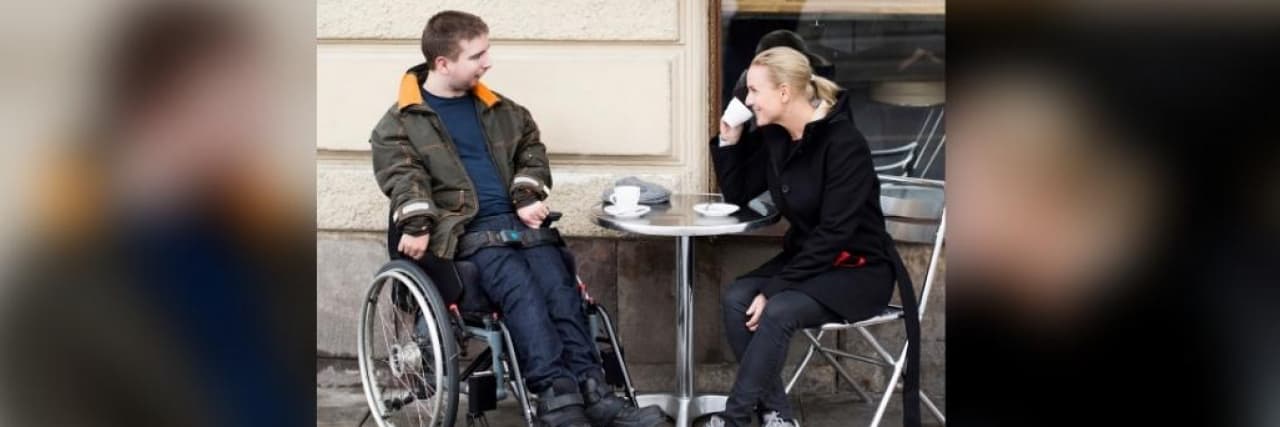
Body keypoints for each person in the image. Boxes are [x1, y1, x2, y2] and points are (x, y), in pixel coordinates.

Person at [369, 10, 666, 427]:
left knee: (560, 288)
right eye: (477, 55)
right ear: (443, 63)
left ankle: (592, 390)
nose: (487, 62)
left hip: (521, 227)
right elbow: (404, 176)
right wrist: (416, 224)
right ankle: (556, 399)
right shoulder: (398, 125)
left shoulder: (503, 111)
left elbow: (531, 150)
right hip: (465, 233)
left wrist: (526, 194)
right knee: (522, 291)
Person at [707, 47, 922, 427]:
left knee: (778, 309)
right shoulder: (776, 137)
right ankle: (777, 416)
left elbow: (836, 234)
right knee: (737, 298)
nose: (747, 99)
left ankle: (735, 418)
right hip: (809, 262)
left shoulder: (844, 144)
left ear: (785, 92)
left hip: (857, 270)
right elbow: (738, 193)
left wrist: (774, 288)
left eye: (754, 91)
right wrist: (729, 138)